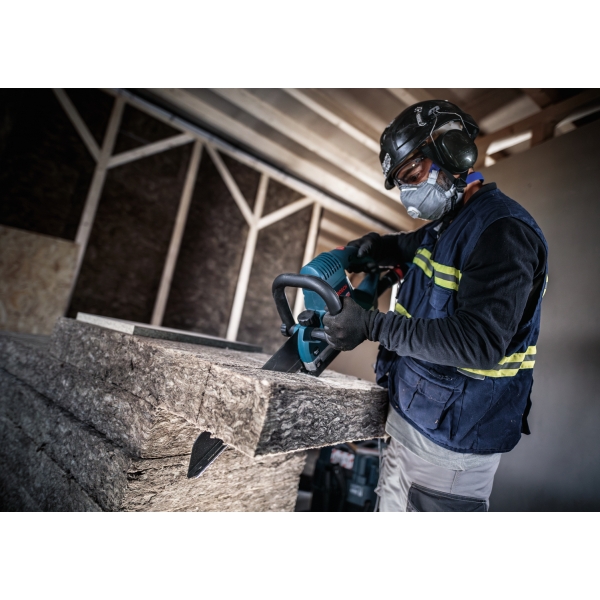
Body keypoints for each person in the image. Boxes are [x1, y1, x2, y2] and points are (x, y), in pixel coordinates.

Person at [322, 100, 548, 512]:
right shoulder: (447, 226)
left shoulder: (502, 232)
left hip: (450, 449)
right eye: (402, 184)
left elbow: (478, 343)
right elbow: (406, 246)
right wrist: (370, 248)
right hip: (416, 421)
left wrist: (371, 325)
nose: (410, 195)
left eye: (412, 174)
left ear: (453, 152)